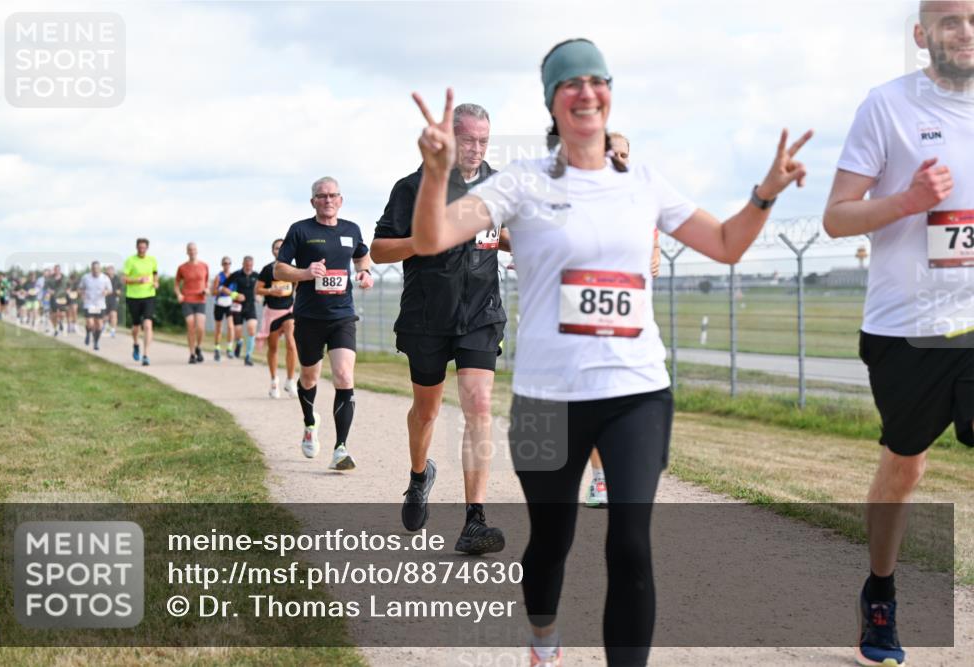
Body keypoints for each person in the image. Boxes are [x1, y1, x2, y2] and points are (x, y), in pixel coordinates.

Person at [409, 39, 811, 666]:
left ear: (610, 93)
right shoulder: (521, 182)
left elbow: (728, 243)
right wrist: (436, 173)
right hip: (546, 398)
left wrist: (764, 195)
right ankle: (544, 640)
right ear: (553, 100)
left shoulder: (644, 182)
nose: (586, 91)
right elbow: (432, 237)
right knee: (550, 541)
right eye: (571, 83)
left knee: (630, 543)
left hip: (637, 393)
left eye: (597, 80)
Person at [823, 3, 973, 665]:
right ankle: (880, 591)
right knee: (905, 466)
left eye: (972, 17)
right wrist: (907, 202)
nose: (963, 30)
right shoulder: (885, 108)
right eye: (948, 20)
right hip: (908, 328)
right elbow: (836, 217)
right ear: (922, 36)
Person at [372, 102, 509, 554]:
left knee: (479, 406)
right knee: (427, 411)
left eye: (483, 140)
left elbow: (509, 233)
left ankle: (475, 520)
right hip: (427, 316)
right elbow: (379, 250)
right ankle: (418, 476)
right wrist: (425, 239)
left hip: (481, 314)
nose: (476, 149)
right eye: (468, 139)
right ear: (449, 138)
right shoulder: (413, 186)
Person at [584, 132, 662, 509]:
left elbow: (653, 243)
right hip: (591, 315)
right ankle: (600, 480)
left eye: (624, 153)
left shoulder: (640, 199)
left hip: (634, 314)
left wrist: (656, 254)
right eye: (610, 151)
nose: (618, 157)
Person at [275, 176, 374, 471]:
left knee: (344, 376)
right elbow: (280, 268)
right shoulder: (300, 230)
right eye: (321, 196)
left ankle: (340, 448)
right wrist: (306, 273)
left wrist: (365, 273)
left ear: (340, 200)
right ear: (313, 201)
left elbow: (362, 255)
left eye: (332, 195)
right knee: (309, 378)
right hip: (308, 317)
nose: (327, 200)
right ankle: (309, 423)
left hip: (342, 314)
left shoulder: (351, 229)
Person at [256, 238, 299, 398]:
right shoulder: (268, 270)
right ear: (272, 251)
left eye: (282, 248)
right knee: (273, 348)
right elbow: (258, 290)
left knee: (291, 343)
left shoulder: (293, 269)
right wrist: (270, 292)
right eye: (276, 248)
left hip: (288, 311)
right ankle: (274, 381)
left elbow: (300, 285)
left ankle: (290, 380)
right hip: (272, 313)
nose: (279, 250)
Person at [123, 238, 158, 366]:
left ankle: (146, 355)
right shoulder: (130, 260)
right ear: (136, 247)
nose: (142, 250)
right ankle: (136, 343)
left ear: (147, 248)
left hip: (149, 295)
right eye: (139, 247)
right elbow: (125, 279)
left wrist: (156, 282)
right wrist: (138, 280)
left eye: (144, 247)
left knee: (148, 324)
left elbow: (155, 273)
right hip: (133, 297)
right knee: (136, 326)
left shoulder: (152, 260)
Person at [175, 242, 210, 364]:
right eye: (190, 249)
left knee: (200, 327)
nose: (192, 251)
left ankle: (198, 347)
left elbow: (207, 283)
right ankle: (192, 354)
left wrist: (207, 290)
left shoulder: (204, 266)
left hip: (200, 300)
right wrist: (179, 294)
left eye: (194, 249)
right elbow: (176, 284)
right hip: (187, 300)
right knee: (190, 326)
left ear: (197, 250)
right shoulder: (182, 267)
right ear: (187, 251)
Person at [226, 256, 259, 367]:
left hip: (250, 306)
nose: (249, 267)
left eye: (251, 265)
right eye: (247, 265)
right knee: (238, 331)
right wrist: (235, 295)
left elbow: (260, 288)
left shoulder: (256, 276)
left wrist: (259, 296)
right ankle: (239, 342)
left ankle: (248, 356)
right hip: (238, 307)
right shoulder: (236, 275)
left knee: (252, 329)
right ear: (243, 264)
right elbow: (224, 288)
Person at [79, 261, 112, 351]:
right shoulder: (86, 277)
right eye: (94, 269)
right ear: (91, 269)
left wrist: (106, 292)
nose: (95, 270)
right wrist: (82, 294)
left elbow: (110, 289)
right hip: (89, 304)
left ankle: (96, 341)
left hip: (100, 305)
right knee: (90, 323)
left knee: (99, 325)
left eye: (97, 269)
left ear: (100, 269)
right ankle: (88, 333)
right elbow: (81, 288)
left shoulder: (105, 278)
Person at [211, 257, 236, 361]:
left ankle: (229, 348)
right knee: (219, 328)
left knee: (230, 327)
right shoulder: (218, 277)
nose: (227, 265)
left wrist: (234, 295)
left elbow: (235, 291)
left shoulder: (233, 277)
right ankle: (217, 348)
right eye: (225, 263)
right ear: (222, 265)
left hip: (229, 304)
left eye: (228, 263)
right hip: (219, 304)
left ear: (231, 264)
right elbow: (213, 292)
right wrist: (221, 290)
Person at [46, 265, 69, 336]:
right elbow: (47, 287)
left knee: (62, 314)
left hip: (62, 298)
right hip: (53, 297)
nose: (57, 271)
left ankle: (61, 322)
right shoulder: (50, 278)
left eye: (58, 269)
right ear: (54, 270)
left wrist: (68, 291)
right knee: (54, 315)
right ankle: (55, 329)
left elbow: (68, 286)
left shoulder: (65, 278)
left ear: (60, 270)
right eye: (55, 269)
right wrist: (49, 291)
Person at [103, 265, 121, 337]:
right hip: (105, 299)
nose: (109, 272)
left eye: (110, 270)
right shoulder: (103, 278)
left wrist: (116, 292)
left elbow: (119, 290)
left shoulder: (117, 279)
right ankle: (105, 325)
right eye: (108, 270)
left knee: (113, 314)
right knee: (105, 315)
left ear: (113, 271)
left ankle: (113, 330)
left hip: (114, 298)